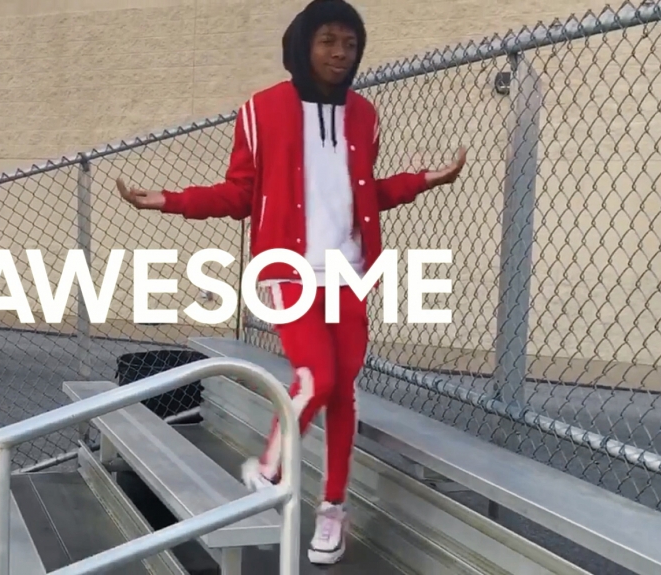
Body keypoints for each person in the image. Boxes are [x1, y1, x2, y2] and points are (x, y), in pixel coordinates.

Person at [115, 0, 466, 565]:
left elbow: (361, 195)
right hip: (289, 270)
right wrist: (170, 200)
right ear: (303, 45)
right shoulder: (262, 110)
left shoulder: (364, 115)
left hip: (351, 272)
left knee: (343, 392)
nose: (340, 53)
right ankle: (269, 470)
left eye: (350, 44)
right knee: (316, 377)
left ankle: (333, 510)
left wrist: (422, 181)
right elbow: (240, 193)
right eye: (328, 41)